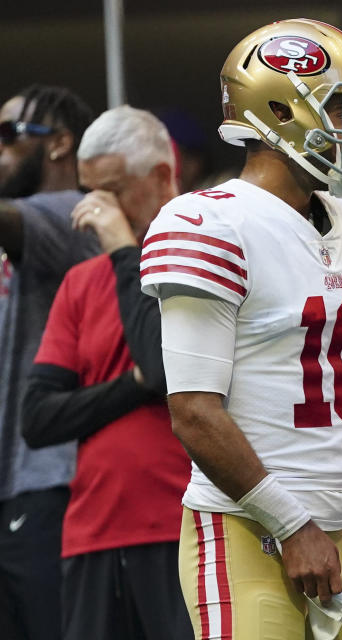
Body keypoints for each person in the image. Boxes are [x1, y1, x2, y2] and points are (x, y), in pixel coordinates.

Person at [138, 19, 342, 640]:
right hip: (248, 533)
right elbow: (193, 411)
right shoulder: (207, 222)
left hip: (340, 533)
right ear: (280, 110)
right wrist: (292, 525)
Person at [19, 105, 191, 640]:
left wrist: (122, 250)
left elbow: (164, 369)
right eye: (89, 192)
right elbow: (38, 417)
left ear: (162, 177)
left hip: (179, 521)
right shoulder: (80, 281)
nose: (96, 209)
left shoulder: (198, 254)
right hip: (91, 530)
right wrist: (131, 385)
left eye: (112, 191)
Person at [0, 84, 97, 640]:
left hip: (46, 486)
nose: (2, 150)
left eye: (10, 135)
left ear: (59, 144)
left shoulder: (72, 215)